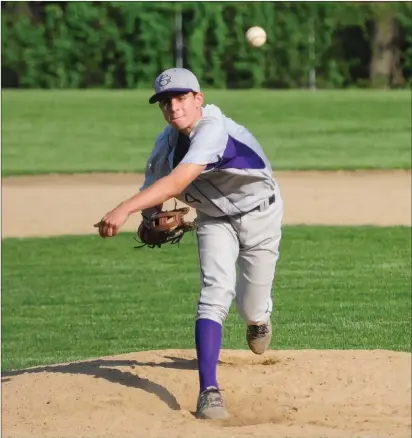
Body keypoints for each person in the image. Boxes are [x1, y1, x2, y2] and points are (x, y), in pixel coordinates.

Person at [94, 68, 284, 420]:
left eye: (181, 98)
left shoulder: (214, 129)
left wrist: (123, 209)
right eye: (165, 102)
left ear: (199, 99)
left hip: (260, 215)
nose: (174, 108)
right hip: (211, 219)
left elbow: (177, 181)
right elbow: (153, 192)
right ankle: (209, 391)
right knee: (213, 293)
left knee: (250, 308)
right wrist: (148, 219)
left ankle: (259, 318)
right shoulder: (165, 144)